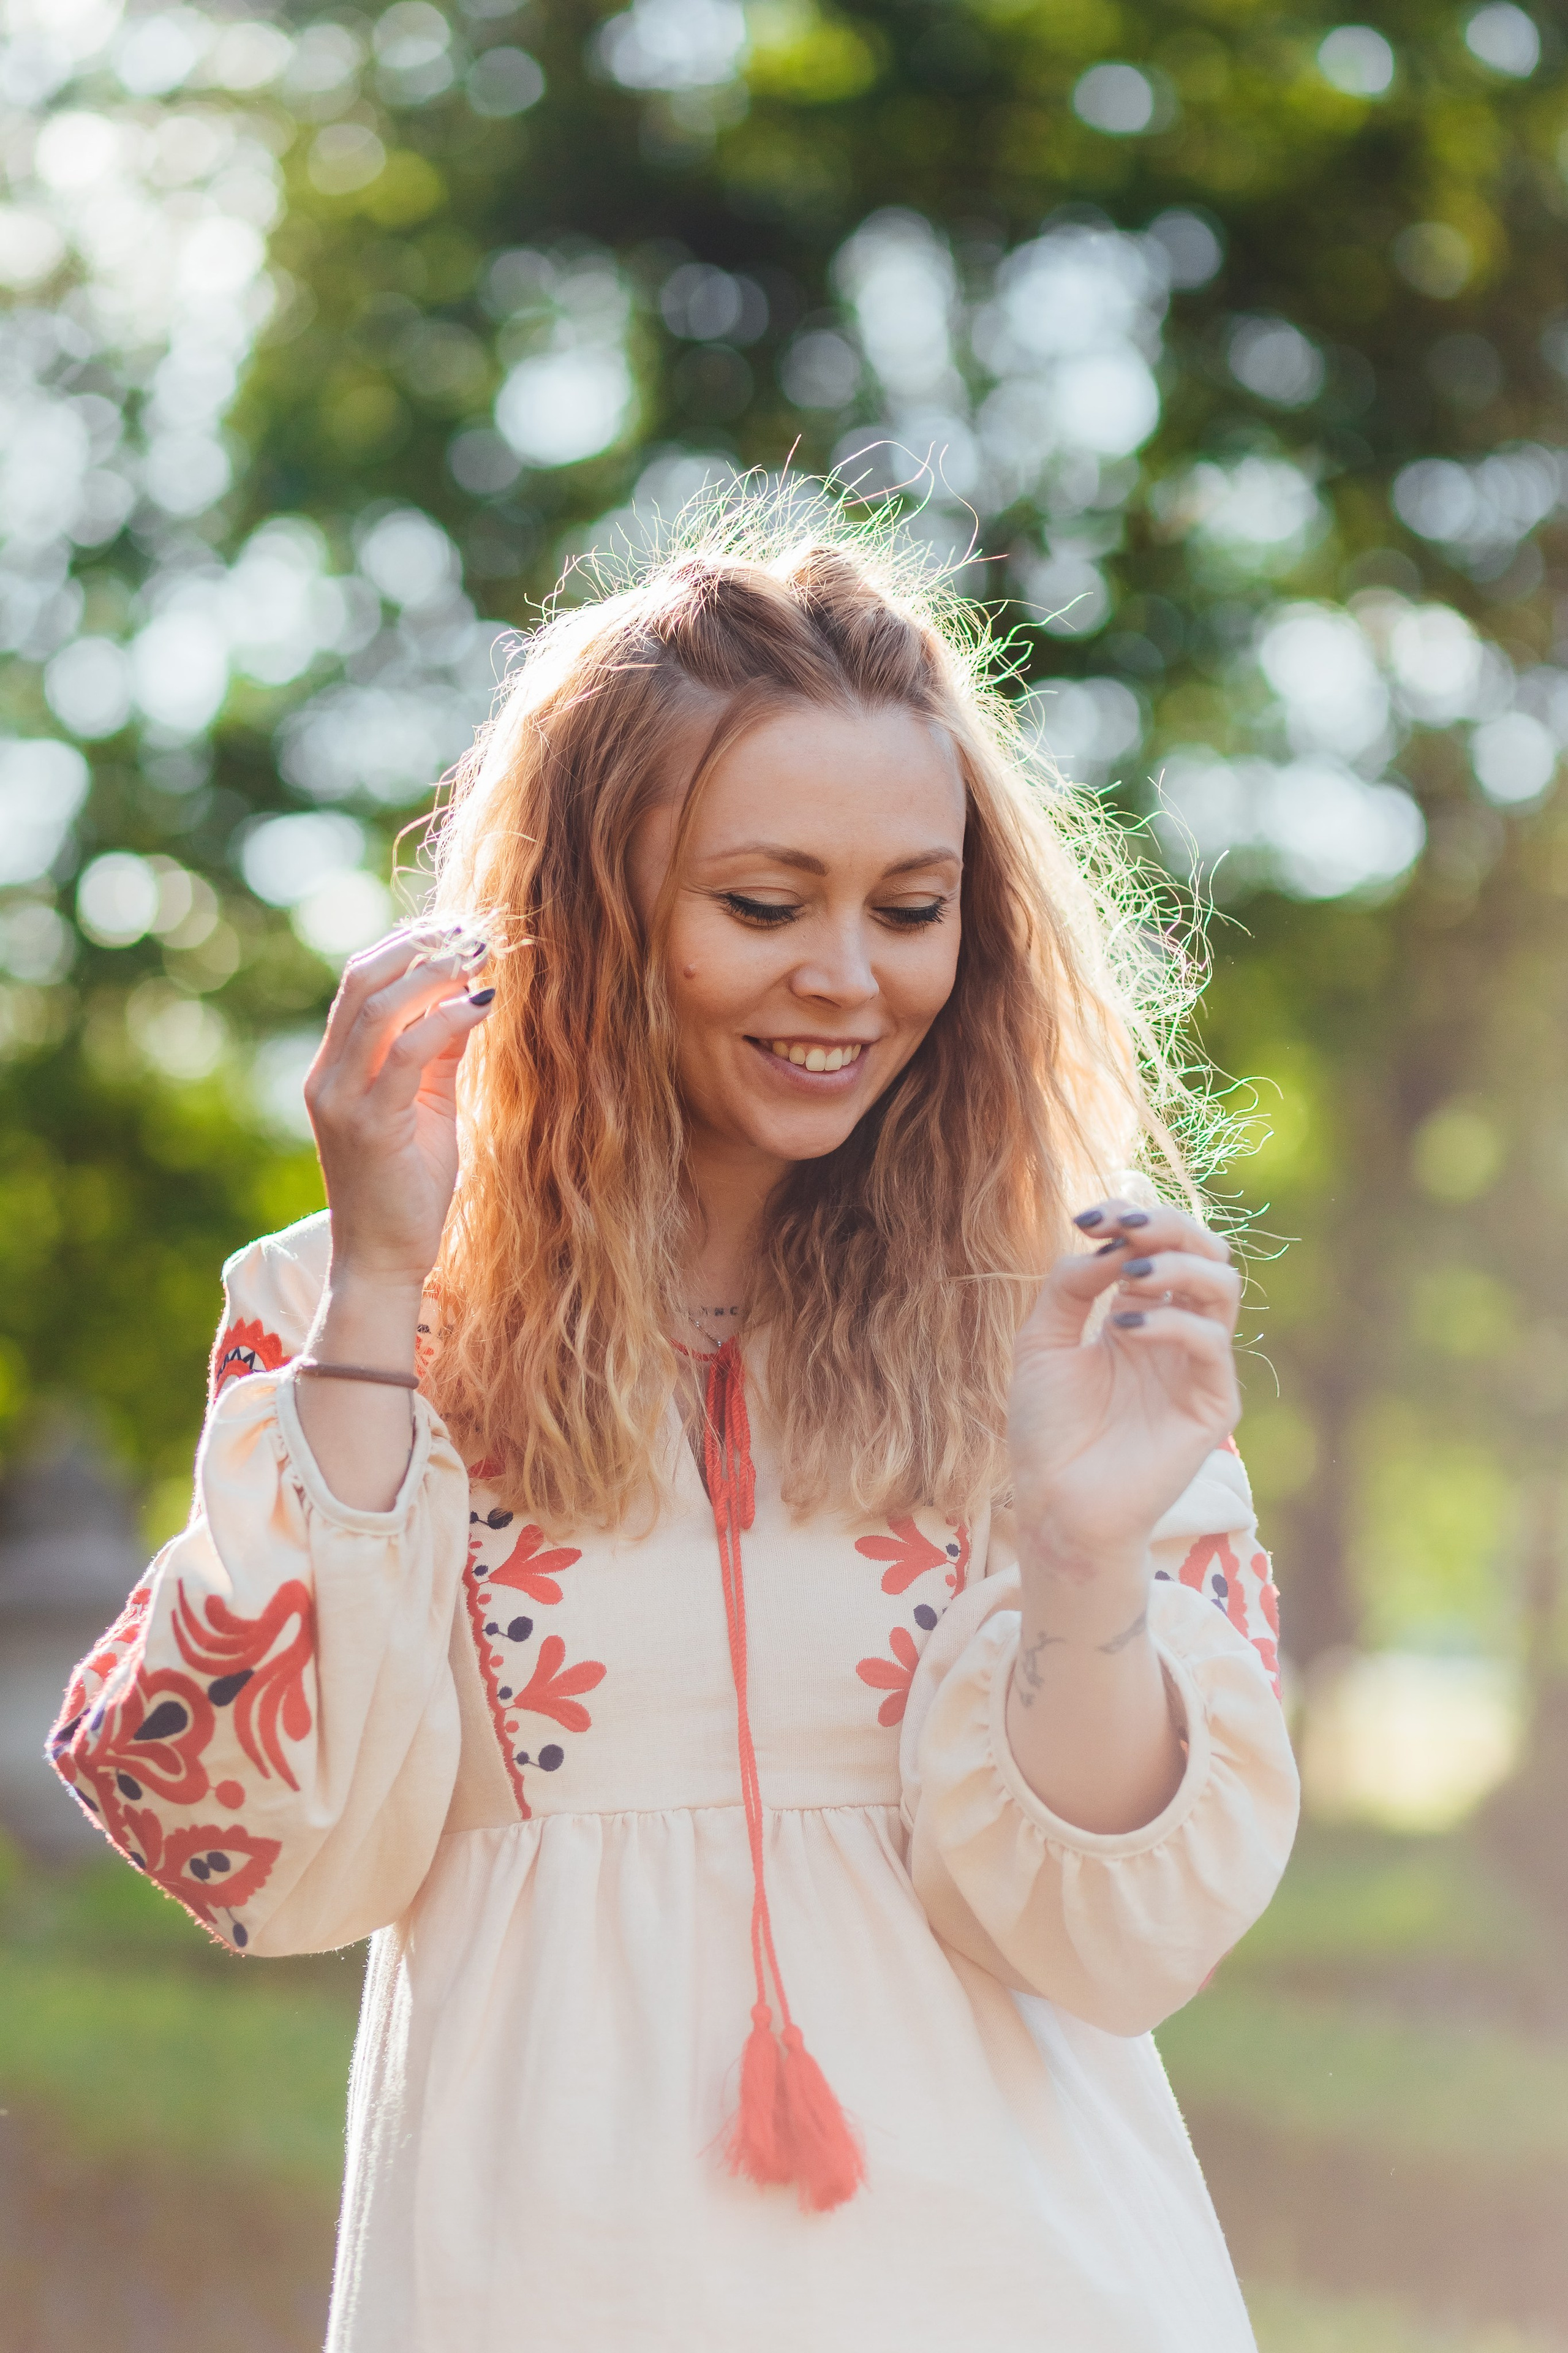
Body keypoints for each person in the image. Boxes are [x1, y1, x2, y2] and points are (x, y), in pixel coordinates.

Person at [50, 513, 1297, 2352]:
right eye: (764, 903)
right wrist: (386, 1287)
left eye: (911, 905)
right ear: (587, 917)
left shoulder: (1063, 1325)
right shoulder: (359, 1310)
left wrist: (1089, 1552)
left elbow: (1126, 1941)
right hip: (544, 2280)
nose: (850, 978)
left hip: (1029, 2285)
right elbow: (268, 1842)